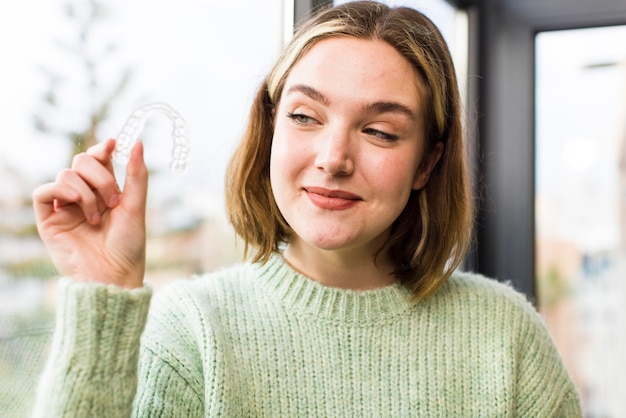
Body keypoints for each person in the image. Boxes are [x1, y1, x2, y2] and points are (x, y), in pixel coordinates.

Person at [32, 1, 582, 416]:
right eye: (304, 117)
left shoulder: (505, 338)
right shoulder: (193, 332)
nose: (333, 158)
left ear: (426, 164)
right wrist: (102, 296)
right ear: (270, 129)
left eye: (380, 131)